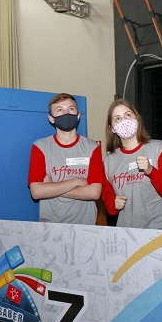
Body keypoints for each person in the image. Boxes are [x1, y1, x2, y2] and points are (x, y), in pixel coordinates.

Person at [28, 93, 105, 224]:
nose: (66, 113)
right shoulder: (41, 147)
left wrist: (51, 187)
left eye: (71, 109)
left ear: (78, 115)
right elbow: (36, 192)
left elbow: (94, 193)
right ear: (51, 119)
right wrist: (77, 181)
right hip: (51, 225)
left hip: (85, 226)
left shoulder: (92, 147)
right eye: (60, 110)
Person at [102, 99, 162, 229]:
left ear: (137, 119)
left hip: (158, 231)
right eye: (117, 118)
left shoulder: (159, 148)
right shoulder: (109, 162)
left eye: (128, 115)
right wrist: (113, 204)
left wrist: (151, 171)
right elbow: (108, 201)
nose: (124, 120)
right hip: (126, 232)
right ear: (112, 129)